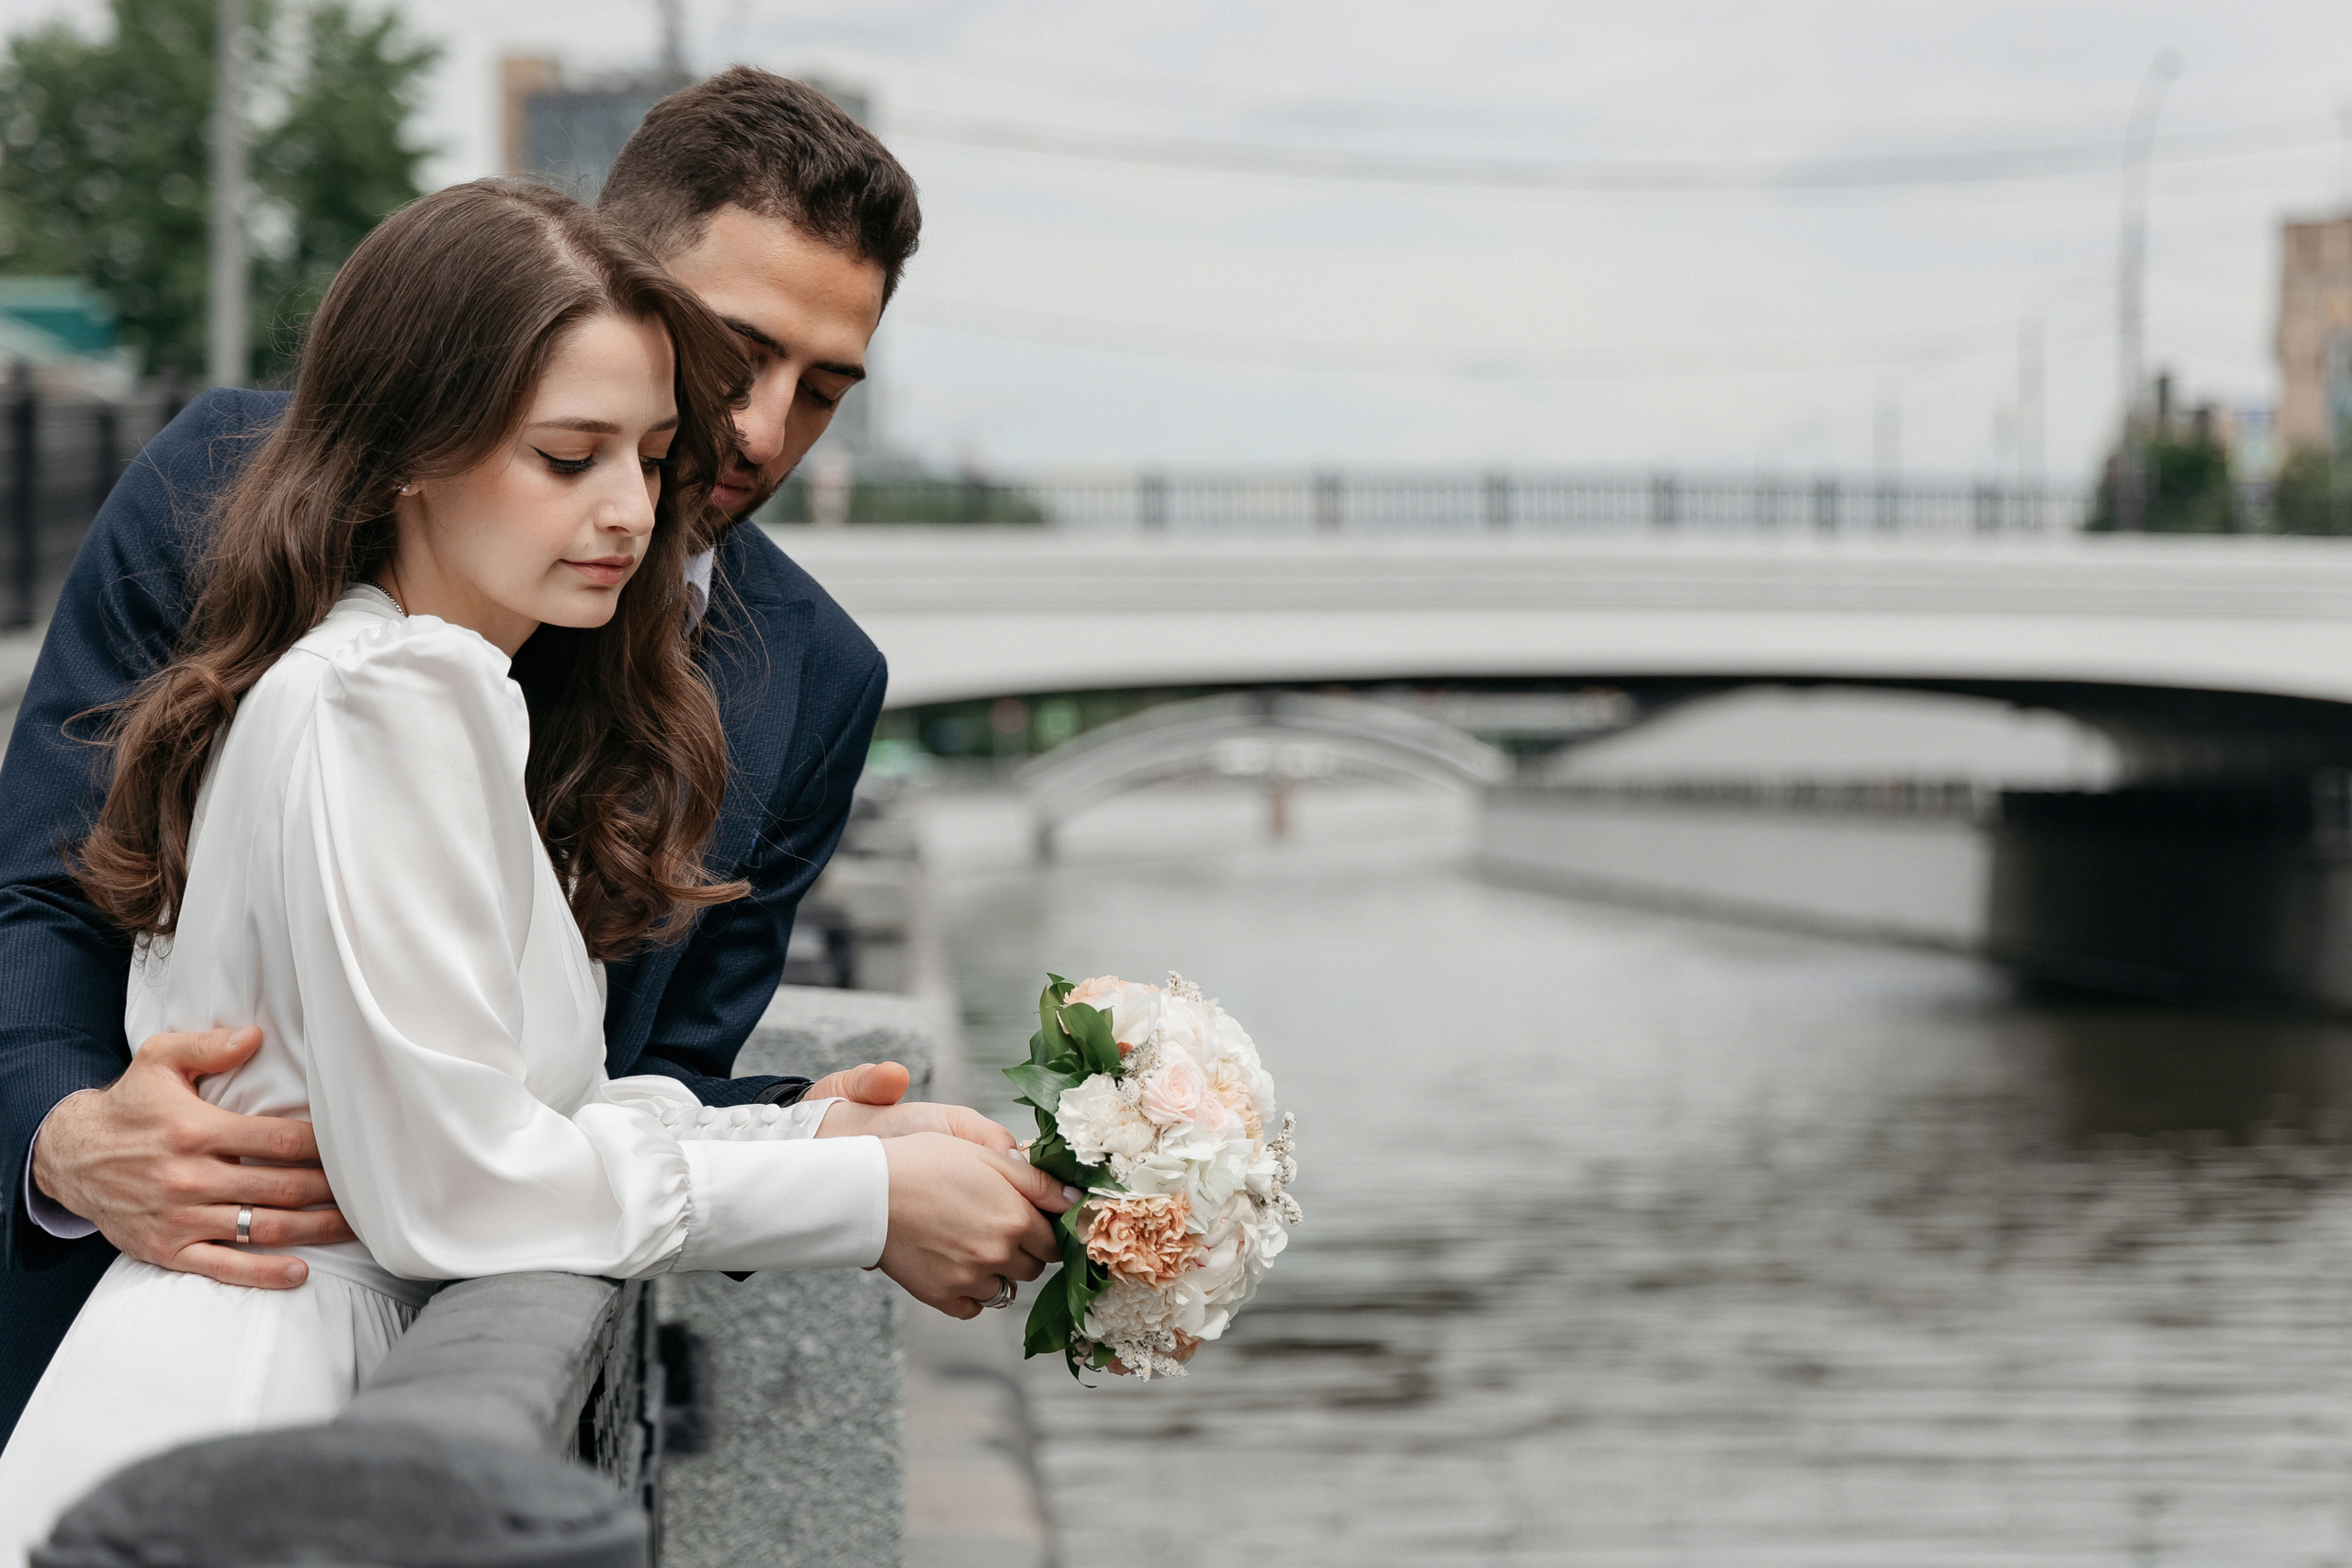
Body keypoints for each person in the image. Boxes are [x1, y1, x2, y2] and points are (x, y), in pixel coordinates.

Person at [0, 176, 1072, 1551]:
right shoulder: (400, 697)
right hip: (264, 1388)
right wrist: (860, 1199)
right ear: (412, 451)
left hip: (323, 1375)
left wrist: (810, 1131)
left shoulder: (432, 684)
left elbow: (545, 1096)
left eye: (652, 456)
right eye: (572, 458)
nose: (636, 507)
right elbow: (460, 1182)